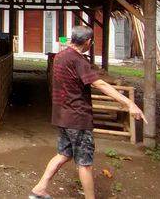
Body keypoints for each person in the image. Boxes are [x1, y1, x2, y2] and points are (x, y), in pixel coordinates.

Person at [30, 26, 146, 199]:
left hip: (62, 115)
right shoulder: (79, 61)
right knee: (85, 164)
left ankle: (39, 189)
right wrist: (129, 103)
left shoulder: (60, 56)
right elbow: (101, 84)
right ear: (88, 42)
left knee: (64, 154)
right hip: (77, 118)